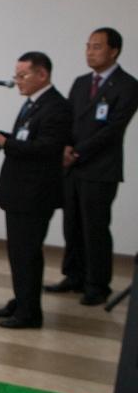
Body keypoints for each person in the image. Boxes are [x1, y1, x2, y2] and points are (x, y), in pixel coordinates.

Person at [0, 52, 72, 329]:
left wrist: (4, 142)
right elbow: (26, 140)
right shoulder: (33, 104)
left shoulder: (57, 106)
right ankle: (22, 300)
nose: (16, 81)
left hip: (35, 194)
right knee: (18, 252)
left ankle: (30, 313)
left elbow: (46, 149)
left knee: (28, 253)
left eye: (22, 76)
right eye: (16, 75)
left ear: (41, 75)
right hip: (20, 192)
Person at [51, 27, 138, 305]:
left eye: (97, 46)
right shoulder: (80, 82)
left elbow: (113, 129)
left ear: (114, 50)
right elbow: (67, 119)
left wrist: (77, 152)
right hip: (72, 167)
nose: (90, 51)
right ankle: (73, 275)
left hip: (101, 169)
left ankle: (97, 284)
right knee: (72, 223)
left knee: (95, 227)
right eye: (88, 46)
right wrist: (64, 147)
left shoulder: (127, 85)